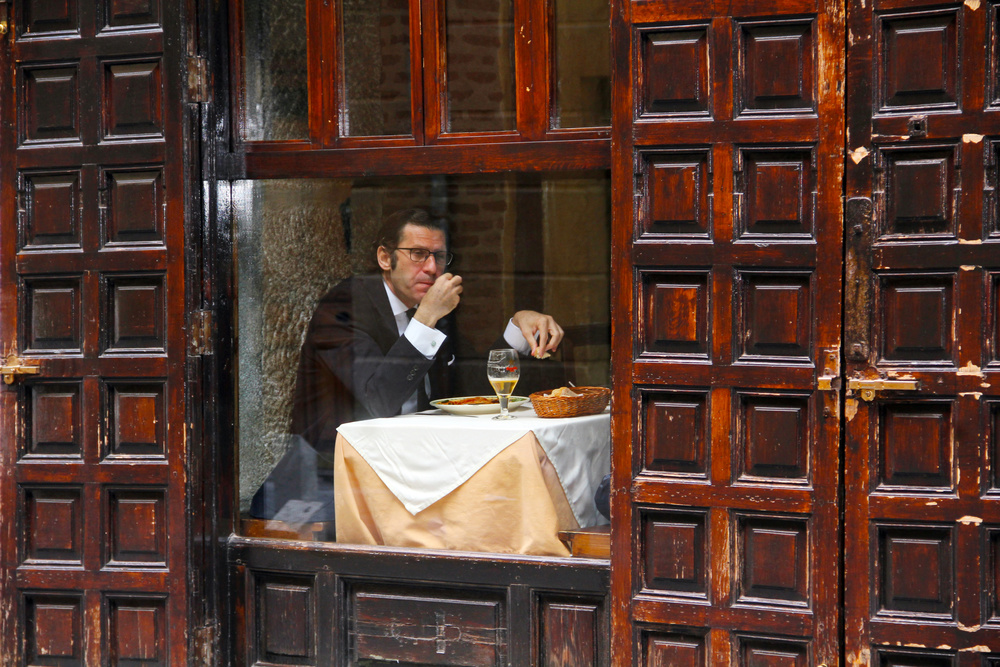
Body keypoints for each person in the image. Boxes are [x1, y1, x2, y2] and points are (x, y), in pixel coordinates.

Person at [290, 208, 565, 455]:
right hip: (337, 467)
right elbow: (378, 401)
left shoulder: (432, 308)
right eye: (418, 254)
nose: (432, 268)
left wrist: (517, 328)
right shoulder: (344, 306)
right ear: (385, 258)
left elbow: (469, 391)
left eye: (439, 256)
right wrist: (426, 319)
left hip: (420, 453)